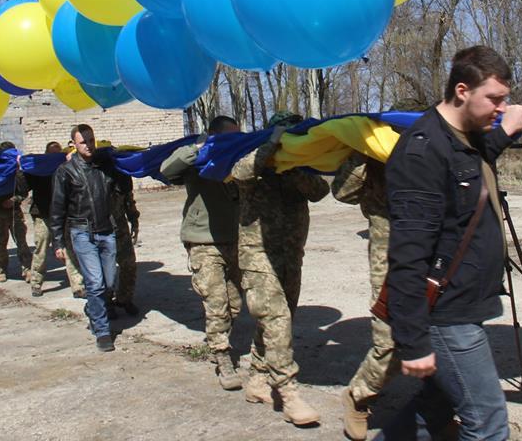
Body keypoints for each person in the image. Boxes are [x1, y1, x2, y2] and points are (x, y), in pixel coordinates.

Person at [378, 46, 522, 440]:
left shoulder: (464, 137)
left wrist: (507, 130)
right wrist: (412, 342)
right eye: (495, 99)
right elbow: (407, 257)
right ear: (462, 90)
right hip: (448, 314)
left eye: (505, 100)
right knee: (488, 423)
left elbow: (473, 165)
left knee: (434, 410)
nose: (502, 107)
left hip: (466, 300)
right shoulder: (423, 151)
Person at [232, 111, 330, 426]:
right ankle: (288, 393)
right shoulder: (254, 159)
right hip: (257, 253)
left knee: (279, 319)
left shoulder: (299, 165)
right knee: (276, 318)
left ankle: (257, 380)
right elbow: (240, 173)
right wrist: (270, 150)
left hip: (290, 255)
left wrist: (292, 167)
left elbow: (319, 191)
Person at [160, 115, 243, 391]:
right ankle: (222, 357)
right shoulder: (196, 160)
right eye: (228, 136)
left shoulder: (236, 159)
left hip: (233, 239)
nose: (234, 140)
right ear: (214, 135)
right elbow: (167, 169)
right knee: (216, 302)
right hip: (203, 241)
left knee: (234, 304)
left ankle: (216, 342)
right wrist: (198, 149)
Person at [49, 124, 130, 352]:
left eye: (91, 140)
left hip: (106, 231)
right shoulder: (65, 172)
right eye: (83, 142)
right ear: (73, 144)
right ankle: (103, 331)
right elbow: (57, 208)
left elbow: (122, 186)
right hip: (82, 232)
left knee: (109, 281)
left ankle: (94, 309)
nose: (89, 145)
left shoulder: (103, 167)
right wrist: (58, 241)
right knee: (95, 283)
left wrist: (116, 162)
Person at [333, 153, 398, 440]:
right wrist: (365, 155)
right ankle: (359, 396)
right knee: (391, 340)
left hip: (437, 255)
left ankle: (439, 411)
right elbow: (342, 191)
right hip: (390, 257)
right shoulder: (371, 150)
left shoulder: (436, 140)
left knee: (448, 337)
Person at [19, 141, 85, 298]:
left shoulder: (65, 169)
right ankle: (36, 283)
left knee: (69, 250)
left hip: (63, 214)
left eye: (58, 153)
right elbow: (23, 187)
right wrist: (21, 169)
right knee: (41, 249)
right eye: (52, 154)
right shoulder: (37, 170)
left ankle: (78, 286)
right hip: (42, 214)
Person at [0, 141, 32, 282]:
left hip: (14, 212)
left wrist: (14, 200)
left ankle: (27, 269)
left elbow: (24, 191)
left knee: (21, 243)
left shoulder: (17, 173)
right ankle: (1, 270)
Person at [111, 182, 140, 315]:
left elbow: (128, 200)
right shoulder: (89, 171)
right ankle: (105, 303)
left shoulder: (120, 174)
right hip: (97, 229)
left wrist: (134, 220)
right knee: (104, 270)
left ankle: (124, 299)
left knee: (129, 264)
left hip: (119, 227)